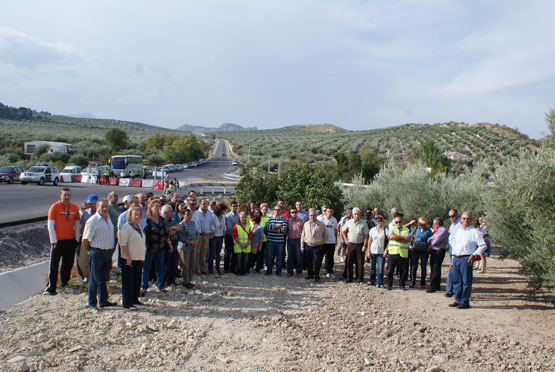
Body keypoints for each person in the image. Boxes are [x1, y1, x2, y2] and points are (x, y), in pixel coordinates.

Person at [45, 188, 80, 295]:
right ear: (60, 195)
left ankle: (64, 283)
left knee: (68, 264)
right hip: (58, 241)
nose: (67, 197)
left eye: (69, 195)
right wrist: (53, 240)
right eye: (65, 195)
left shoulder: (74, 207)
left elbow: (78, 225)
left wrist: (77, 239)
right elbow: (50, 225)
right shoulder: (54, 207)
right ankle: (51, 287)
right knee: (54, 265)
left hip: (70, 241)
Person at [81, 199, 115, 310]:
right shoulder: (93, 221)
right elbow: (86, 240)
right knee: (94, 279)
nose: (104, 209)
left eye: (106, 206)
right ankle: (92, 303)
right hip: (97, 252)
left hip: (107, 253)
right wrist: (90, 251)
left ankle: (103, 301)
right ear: (97, 208)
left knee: (103, 279)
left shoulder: (108, 218)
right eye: (102, 207)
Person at [449, 212, 487, 309]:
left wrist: (474, 255)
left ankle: (465, 301)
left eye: (468, 219)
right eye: (464, 218)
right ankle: (457, 300)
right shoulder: (458, 231)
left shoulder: (474, 232)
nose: (466, 220)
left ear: (471, 220)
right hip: (456, 257)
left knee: (466, 281)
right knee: (457, 281)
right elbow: (455, 246)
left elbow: (483, 245)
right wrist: (452, 260)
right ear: (461, 219)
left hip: (466, 258)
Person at [118, 206, 146, 310]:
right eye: (135, 214)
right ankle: (127, 303)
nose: (137, 216)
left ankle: (135, 299)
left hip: (138, 258)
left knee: (136, 280)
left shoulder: (137, 226)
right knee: (128, 281)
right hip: (129, 259)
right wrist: (128, 257)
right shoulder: (126, 227)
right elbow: (123, 243)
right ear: (130, 215)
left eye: (139, 214)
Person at [142, 199, 170, 296]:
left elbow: (166, 232)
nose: (157, 208)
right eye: (155, 206)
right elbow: (144, 233)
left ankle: (160, 285)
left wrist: (169, 243)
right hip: (150, 248)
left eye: (159, 206)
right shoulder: (147, 220)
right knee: (147, 268)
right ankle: (144, 286)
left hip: (161, 247)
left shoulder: (162, 219)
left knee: (160, 268)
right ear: (151, 207)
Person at [341, 207, 369, 283]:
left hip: (360, 245)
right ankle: (349, 278)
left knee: (360, 262)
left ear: (360, 215)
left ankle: (360, 278)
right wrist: (345, 239)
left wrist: (365, 245)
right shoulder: (349, 222)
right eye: (355, 214)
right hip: (351, 244)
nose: (356, 215)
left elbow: (366, 236)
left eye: (358, 214)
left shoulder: (363, 223)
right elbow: (342, 230)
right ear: (352, 215)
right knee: (349, 261)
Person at [300, 208, 327, 283]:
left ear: (316, 216)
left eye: (314, 215)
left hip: (317, 245)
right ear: (309, 216)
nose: (312, 217)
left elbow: (326, 235)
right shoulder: (306, 224)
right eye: (311, 215)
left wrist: (322, 242)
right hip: (308, 245)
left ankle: (317, 275)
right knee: (308, 261)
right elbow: (303, 234)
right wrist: (302, 244)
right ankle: (310, 275)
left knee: (317, 261)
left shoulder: (321, 224)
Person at [384, 214, 410, 290]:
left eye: (400, 222)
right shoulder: (392, 228)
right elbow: (391, 237)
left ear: (402, 221)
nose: (398, 223)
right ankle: (389, 285)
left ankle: (402, 285)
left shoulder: (406, 229)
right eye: (397, 222)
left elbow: (407, 239)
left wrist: (397, 237)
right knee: (390, 270)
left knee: (403, 270)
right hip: (393, 253)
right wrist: (402, 237)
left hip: (403, 253)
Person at [177, 209, 199, 289]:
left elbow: (196, 232)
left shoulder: (192, 223)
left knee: (192, 264)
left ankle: (189, 279)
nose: (189, 216)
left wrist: (197, 240)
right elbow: (180, 237)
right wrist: (189, 242)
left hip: (193, 246)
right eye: (187, 214)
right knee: (185, 265)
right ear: (183, 215)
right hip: (184, 247)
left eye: (190, 214)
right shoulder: (181, 225)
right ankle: (185, 281)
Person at [264, 205, 288, 276]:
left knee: (279, 258)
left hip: (280, 242)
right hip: (271, 241)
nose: (277, 211)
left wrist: (273, 228)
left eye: (278, 210)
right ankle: (269, 271)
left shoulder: (283, 219)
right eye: (275, 209)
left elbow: (283, 230)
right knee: (269, 257)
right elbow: (268, 227)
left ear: (281, 211)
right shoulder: (269, 218)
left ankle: (278, 272)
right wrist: (277, 227)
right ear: (273, 210)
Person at [192, 199, 215, 275]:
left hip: (206, 235)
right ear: (199, 204)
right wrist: (199, 232)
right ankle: (196, 268)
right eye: (203, 204)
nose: (205, 205)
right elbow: (195, 225)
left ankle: (203, 268)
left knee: (204, 252)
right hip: (199, 235)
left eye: (206, 204)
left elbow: (211, 224)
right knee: (197, 252)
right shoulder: (196, 213)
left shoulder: (210, 214)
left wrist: (212, 230)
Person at [409, 217, 433, 289]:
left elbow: (432, 239)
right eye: (422, 224)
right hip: (415, 249)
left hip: (424, 250)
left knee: (423, 266)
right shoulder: (415, 229)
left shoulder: (428, 230)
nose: (423, 226)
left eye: (424, 225)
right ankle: (412, 282)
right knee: (414, 266)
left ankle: (423, 283)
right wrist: (410, 245)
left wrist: (430, 246)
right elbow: (409, 237)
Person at [363, 214, 386, 287]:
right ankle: (372, 280)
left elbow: (388, 241)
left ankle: (380, 282)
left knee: (380, 268)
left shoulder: (385, 230)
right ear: (375, 221)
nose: (379, 222)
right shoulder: (372, 230)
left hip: (381, 252)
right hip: (373, 251)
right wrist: (368, 251)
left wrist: (386, 250)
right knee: (372, 267)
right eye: (377, 221)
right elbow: (370, 240)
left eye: (380, 221)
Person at [426, 217, 448, 293]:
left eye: (434, 224)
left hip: (438, 251)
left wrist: (431, 243)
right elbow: (430, 238)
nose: (433, 225)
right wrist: (431, 240)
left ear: (437, 224)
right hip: (435, 250)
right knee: (435, 268)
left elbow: (436, 241)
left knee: (435, 268)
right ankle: (437, 285)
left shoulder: (443, 231)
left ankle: (433, 286)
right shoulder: (438, 231)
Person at [162, 204, 181, 286]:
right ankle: (165, 279)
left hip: (174, 242)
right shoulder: (162, 221)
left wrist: (174, 229)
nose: (172, 213)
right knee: (167, 262)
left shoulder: (172, 220)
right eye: (170, 211)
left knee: (174, 262)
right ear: (165, 213)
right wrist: (174, 229)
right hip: (167, 243)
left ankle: (172, 280)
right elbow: (168, 232)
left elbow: (180, 227)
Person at [317, 206, 338, 279]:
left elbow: (335, 230)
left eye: (331, 212)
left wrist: (336, 239)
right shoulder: (320, 218)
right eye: (328, 211)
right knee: (319, 257)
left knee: (330, 258)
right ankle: (317, 271)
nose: (329, 213)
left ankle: (330, 272)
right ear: (326, 212)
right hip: (322, 241)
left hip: (331, 241)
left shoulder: (334, 220)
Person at [445, 209, 461, 297]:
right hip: (452, 248)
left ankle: (451, 290)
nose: (451, 218)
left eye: (453, 216)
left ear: (457, 214)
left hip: (457, 249)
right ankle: (450, 289)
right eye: (450, 216)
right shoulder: (452, 225)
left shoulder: (459, 224)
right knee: (452, 268)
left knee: (453, 269)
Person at [208, 204, 227, 274]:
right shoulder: (213, 217)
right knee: (212, 253)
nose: (224, 211)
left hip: (220, 236)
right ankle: (210, 269)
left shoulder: (224, 217)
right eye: (224, 210)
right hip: (214, 237)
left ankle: (217, 269)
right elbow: (211, 225)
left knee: (218, 254)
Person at [286, 207, 304, 277]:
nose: (294, 213)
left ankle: (299, 271)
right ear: (290, 213)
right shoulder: (288, 221)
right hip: (290, 240)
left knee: (299, 256)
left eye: (295, 212)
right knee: (290, 256)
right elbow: (286, 230)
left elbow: (303, 231)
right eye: (292, 212)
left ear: (297, 213)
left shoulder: (301, 221)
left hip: (298, 240)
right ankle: (290, 271)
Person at [234, 211, 252, 275]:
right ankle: (239, 271)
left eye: (244, 217)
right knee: (238, 260)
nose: (243, 219)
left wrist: (247, 244)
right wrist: (241, 244)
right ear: (239, 218)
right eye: (241, 217)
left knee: (245, 259)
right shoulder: (236, 226)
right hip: (238, 245)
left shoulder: (248, 226)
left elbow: (250, 236)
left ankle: (244, 271)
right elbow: (235, 237)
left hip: (246, 246)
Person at [224, 201, 239, 273]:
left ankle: (233, 269)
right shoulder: (227, 216)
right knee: (227, 252)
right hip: (229, 236)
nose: (235, 207)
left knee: (235, 253)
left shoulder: (239, 215)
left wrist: (235, 226)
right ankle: (226, 269)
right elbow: (229, 227)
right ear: (230, 207)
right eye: (233, 206)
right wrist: (236, 227)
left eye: (236, 206)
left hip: (237, 237)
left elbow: (240, 226)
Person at [255, 203, 269, 273]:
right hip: (258, 239)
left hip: (266, 239)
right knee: (259, 253)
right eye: (263, 209)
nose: (265, 210)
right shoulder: (258, 218)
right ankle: (258, 266)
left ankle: (265, 265)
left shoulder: (269, 217)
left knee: (266, 253)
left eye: (266, 209)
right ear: (260, 210)